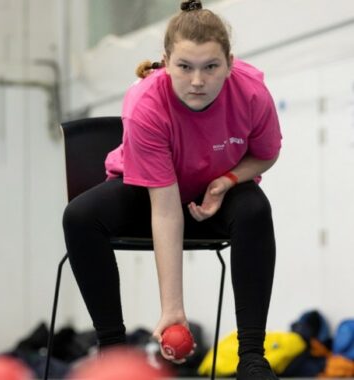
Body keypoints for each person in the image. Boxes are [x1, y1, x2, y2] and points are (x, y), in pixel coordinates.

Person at [63, 0, 282, 379]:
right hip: (148, 195)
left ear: (229, 63)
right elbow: (164, 208)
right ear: (165, 62)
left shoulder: (251, 94)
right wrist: (172, 309)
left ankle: (251, 358)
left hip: (212, 199)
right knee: (80, 217)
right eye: (184, 67)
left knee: (255, 209)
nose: (197, 81)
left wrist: (227, 181)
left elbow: (265, 155)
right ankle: (114, 354)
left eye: (211, 67)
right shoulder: (146, 102)